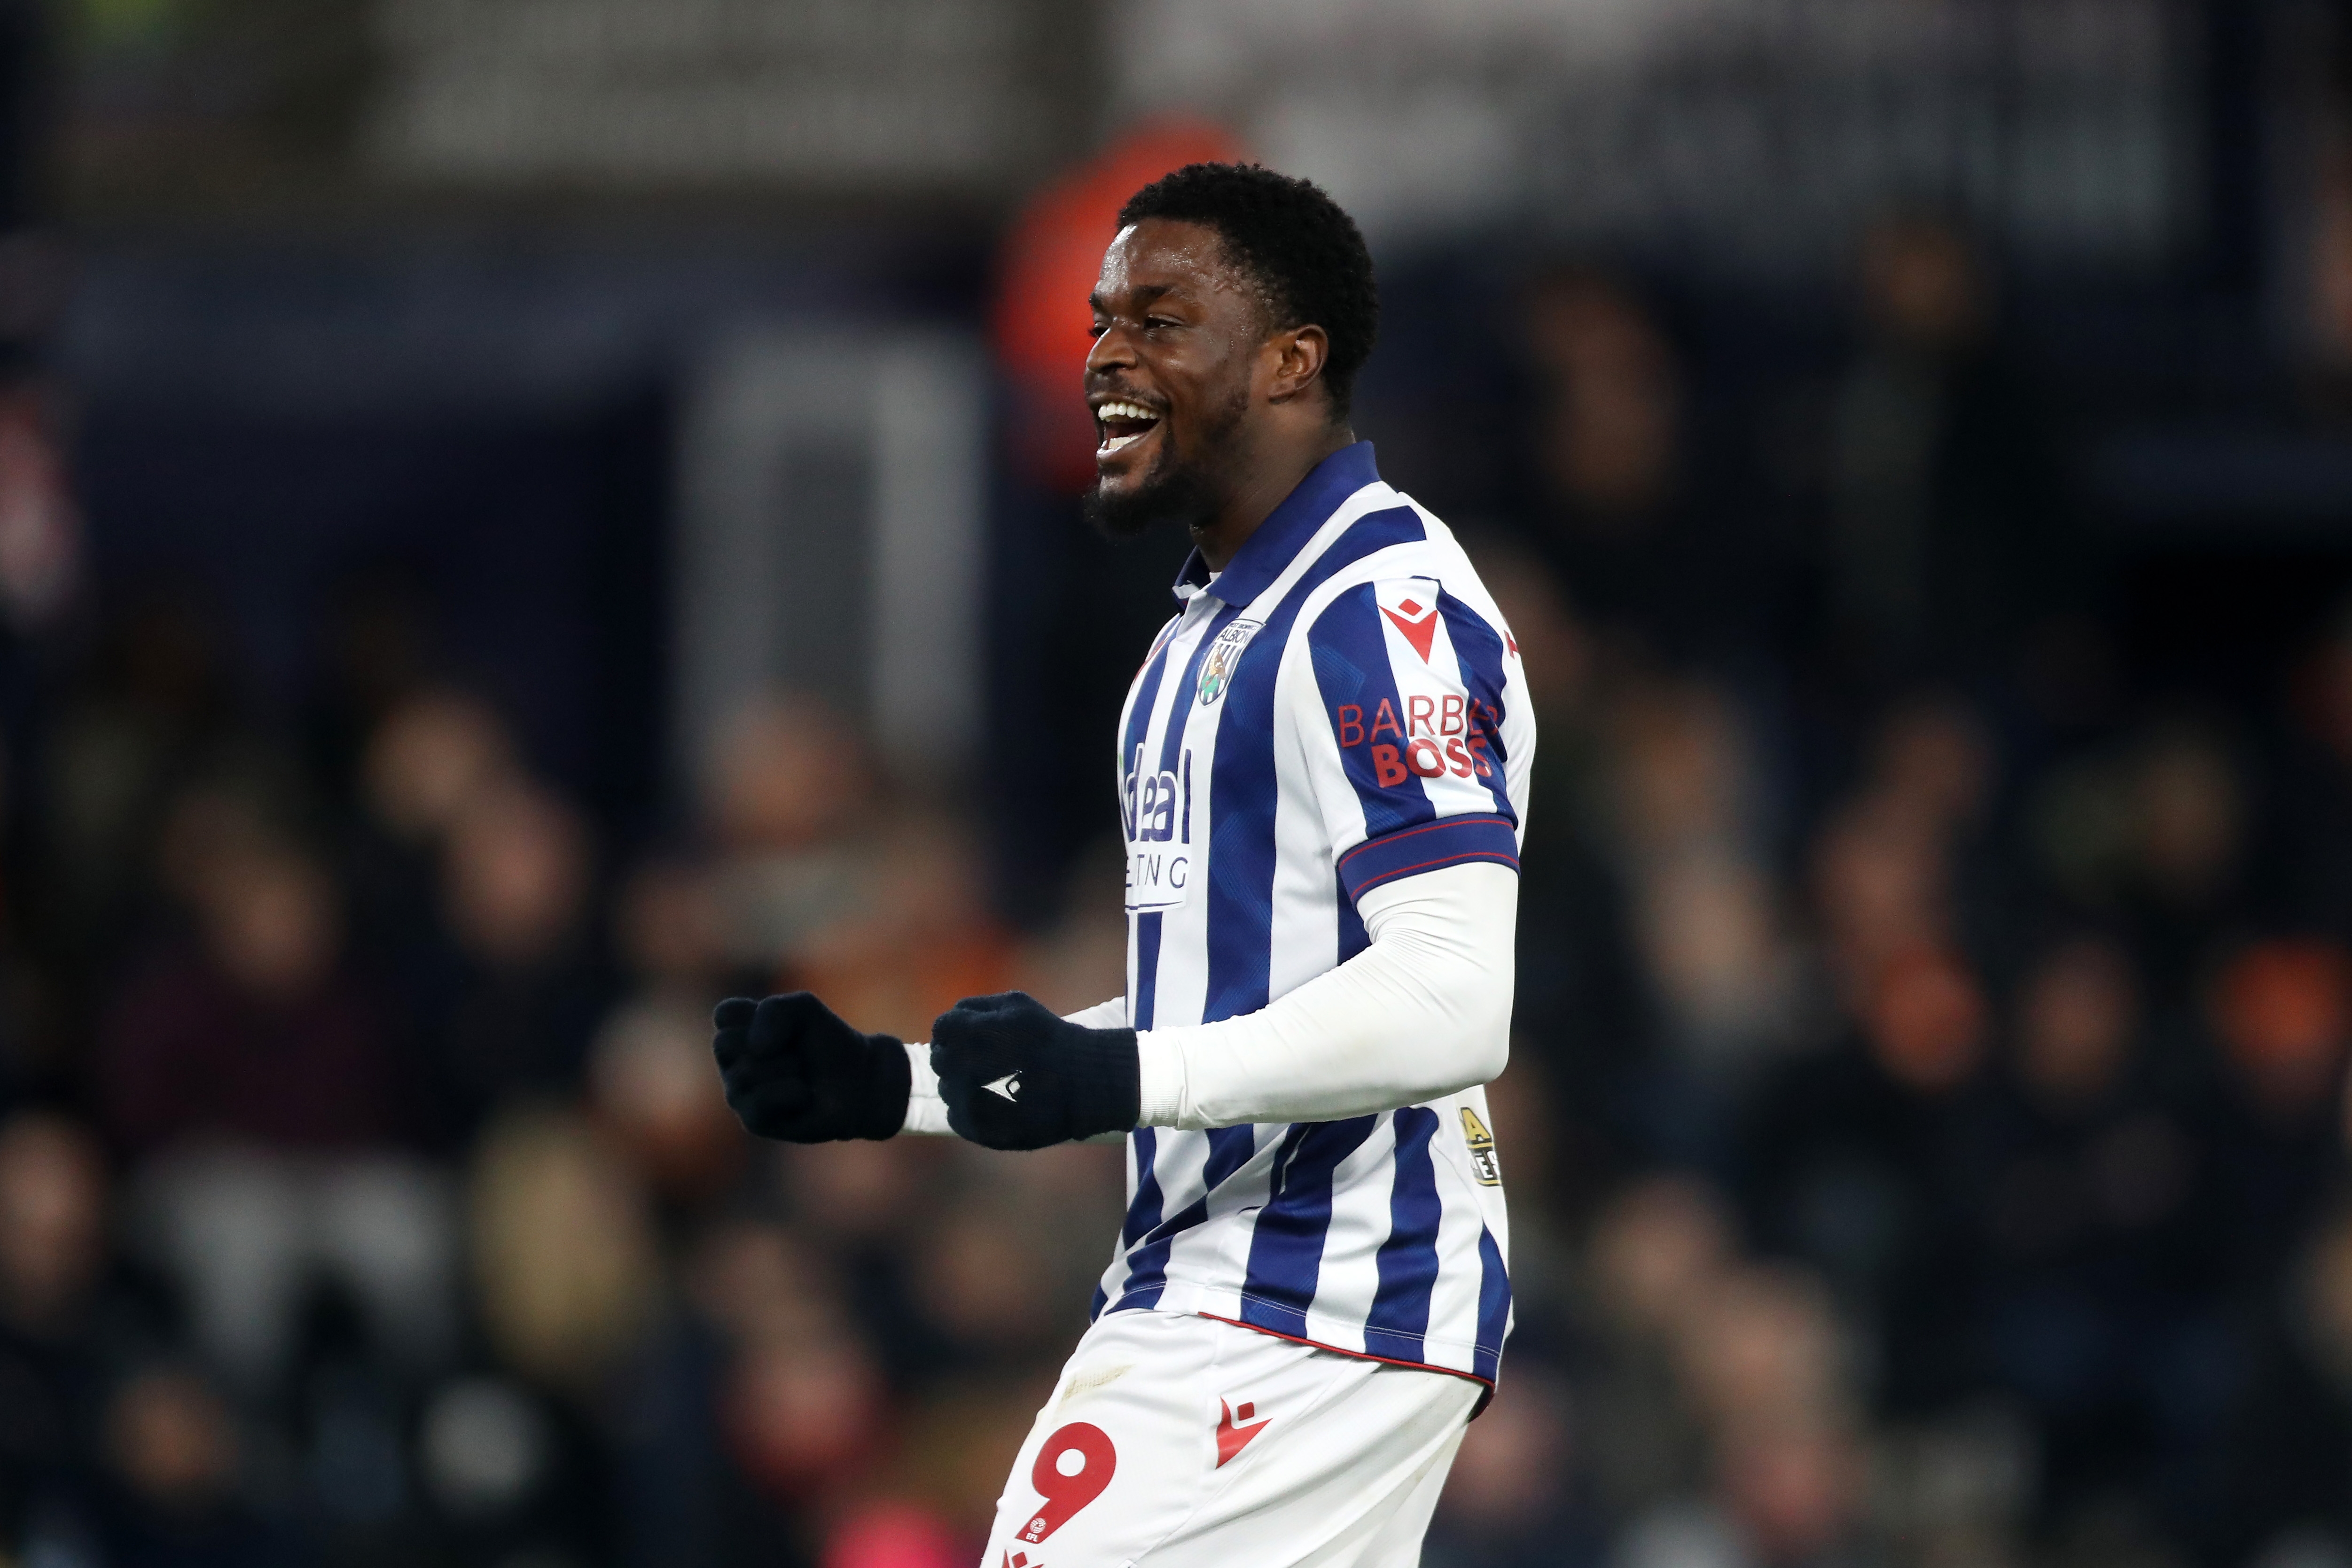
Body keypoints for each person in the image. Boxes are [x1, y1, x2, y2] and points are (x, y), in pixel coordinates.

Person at [713, 162, 1533, 1566]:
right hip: (1231, 1283)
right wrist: (896, 1084)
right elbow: (1213, 1018)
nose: (1104, 357)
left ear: (1289, 360)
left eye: (1159, 319)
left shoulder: (1380, 610)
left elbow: (1458, 998)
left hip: (1314, 1294)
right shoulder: (1192, 643)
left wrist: (1124, 1080)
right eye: (1101, 322)